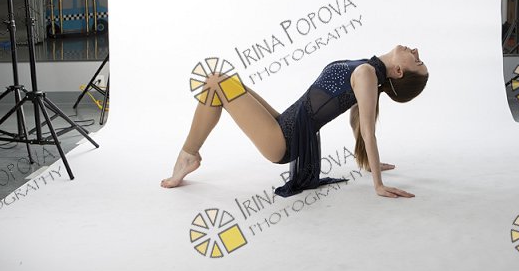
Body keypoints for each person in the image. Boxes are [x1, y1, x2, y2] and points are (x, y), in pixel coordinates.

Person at [160, 44, 429, 198]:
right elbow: (356, 120)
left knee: (215, 82)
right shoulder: (367, 70)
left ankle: (188, 156)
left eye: (417, 61)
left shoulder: (367, 74)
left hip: (283, 141)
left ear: (398, 71)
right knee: (221, 81)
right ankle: (189, 155)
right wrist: (370, 162)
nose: (416, 51)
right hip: (284, 124)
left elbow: (368, 132)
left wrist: (379, 185)